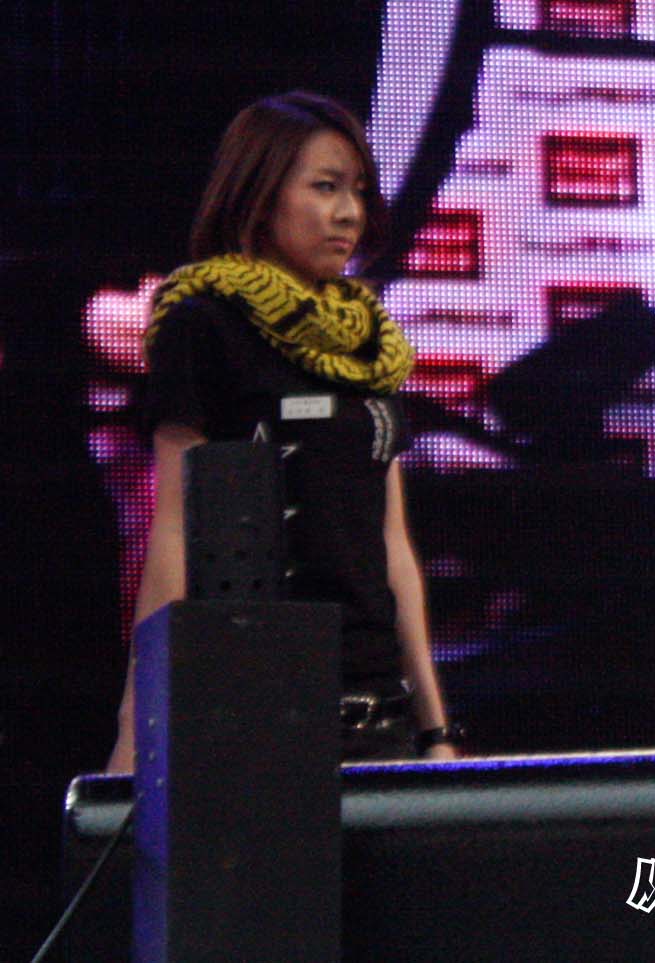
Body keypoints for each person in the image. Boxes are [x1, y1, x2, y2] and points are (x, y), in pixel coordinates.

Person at [105, 92, 457, 769]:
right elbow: (174, 531)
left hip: (378, 715)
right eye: (325, 187)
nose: (349, 212)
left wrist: (435, 728)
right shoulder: (203, 323)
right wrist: (136, 724)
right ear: (259, 195)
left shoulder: (370, 341)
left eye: (358, 190)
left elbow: (393, 547)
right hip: (254, 709)